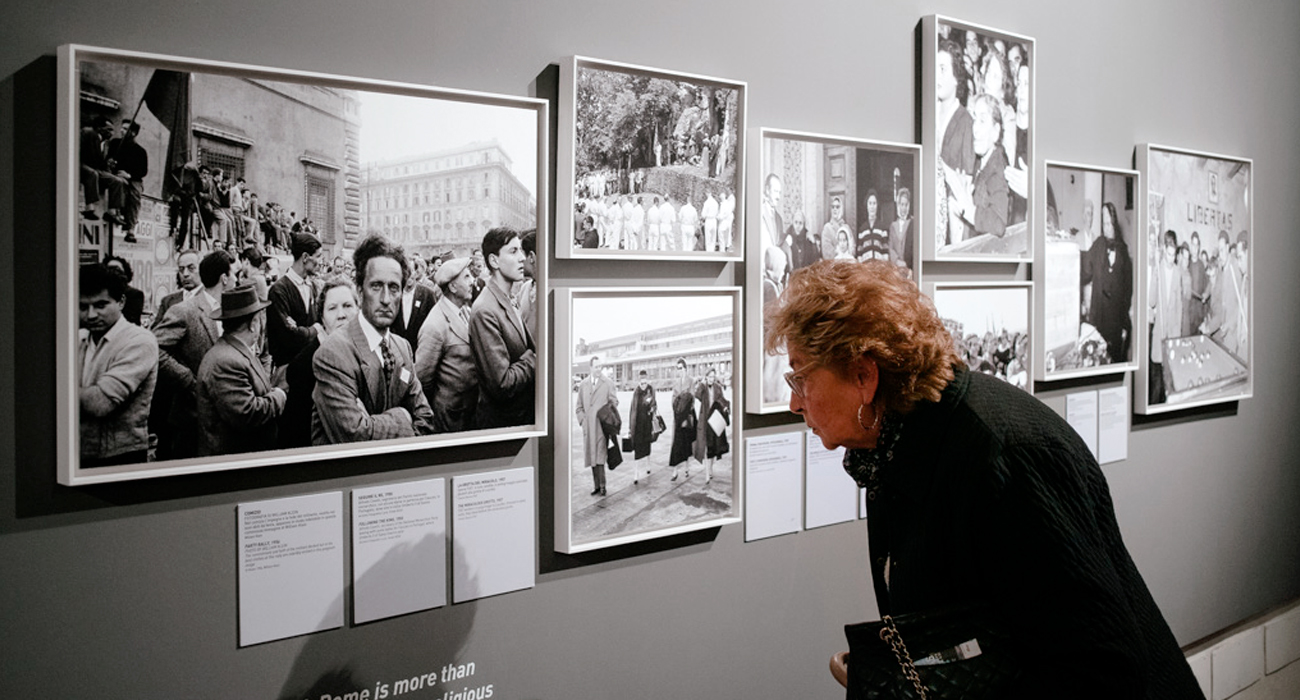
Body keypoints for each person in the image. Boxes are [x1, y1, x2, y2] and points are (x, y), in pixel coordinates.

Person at [765, 259, 1205, 699]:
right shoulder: (896, 447)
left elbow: (1097, 668)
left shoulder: (1002, 459)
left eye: (800, 378)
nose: (793, 402)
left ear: (864, 376)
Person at [311, 234, 435, 444]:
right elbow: (354, 436)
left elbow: (427, 422)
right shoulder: (333, 353)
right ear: (359, 291)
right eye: (376, 286)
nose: (386, 299)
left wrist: (373, 423)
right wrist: (403, 417)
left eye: (394, 288)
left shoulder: (402, 347)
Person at [153, 250, 236, 459]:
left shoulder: (231, 309)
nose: (237, 278)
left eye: (191, 268)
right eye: (234, 274)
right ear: (224, 278)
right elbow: (154, 349)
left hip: (223, 415)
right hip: (191, 415)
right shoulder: (185, 310)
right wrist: (187, 378)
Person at [78, 263, 157, 467]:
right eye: (83, 307)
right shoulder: (80, 338)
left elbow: (100, 404)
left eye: (101, 305)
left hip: (119, 457)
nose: (91, 315)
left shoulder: (139, 341)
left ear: (121, 302)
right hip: (81, 453)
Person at [196, 285, 285, 456]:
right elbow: (248, 414)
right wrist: (279, 395)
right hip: (233, 467)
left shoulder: (236, 352)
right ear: (253, 324)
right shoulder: (226, 361)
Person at [468, 227, 535, 429]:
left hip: (521, 417)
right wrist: (535, 358)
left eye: (521, 251)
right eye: (513, 251)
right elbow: (502, 383)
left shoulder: (508, 298)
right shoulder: (484, 310)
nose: (522, 258)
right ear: (494, 261)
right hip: (504, 425)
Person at [280, 276, 358, 449]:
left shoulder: (364, 353)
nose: (341, 315)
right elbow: (295, 435)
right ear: (322, 319)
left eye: (347, 306)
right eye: (332, 308)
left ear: (358, 311)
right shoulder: (304, 366)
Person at [415, 257, 479, 433]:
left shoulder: (465, 310)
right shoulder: (434, 325)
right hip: (451, 419)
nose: (472, 281)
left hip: (470, 413)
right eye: (466, 277)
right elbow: (422, 380)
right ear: (452, 286)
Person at [1081, 202, 1133, 364]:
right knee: (1097, 360)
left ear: (1114, 222)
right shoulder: (1098, 245)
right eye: (1103, 222)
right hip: (1099, 318)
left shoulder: (1123, 251)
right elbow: (1084, 270)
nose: (1106, 226)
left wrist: (1125, 321)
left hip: (1116, 320)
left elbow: (1127, 289)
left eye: (1109, 222)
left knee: (1114, 361)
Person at [936, 38, 975, 248]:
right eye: (935, 69)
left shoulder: (966, 121)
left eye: (943, 69)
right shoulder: (928, 117)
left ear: (956, 78)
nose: (937, 76)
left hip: (953, 227)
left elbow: (966, 186)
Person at [267, 232, 324, 370]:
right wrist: (314, 329)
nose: (321, 262)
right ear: (305, 257)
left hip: (310, 368)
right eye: (318, 257)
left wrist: (302, 330)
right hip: (287, 370)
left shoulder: (314, 287)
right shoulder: (279, 290)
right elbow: (288, 336)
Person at [576, 356, 616, 497]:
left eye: (600, 366)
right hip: (589, 428)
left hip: (601, 427)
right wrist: (583, 422)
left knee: (600, 457)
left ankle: (603, 485)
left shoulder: (608, 383)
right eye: (596, 367)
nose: (599, 369)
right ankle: (596, 486)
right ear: (591, 368)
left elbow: (614, 402)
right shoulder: (583, 385)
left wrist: (607, 414)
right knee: (592, 456)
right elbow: (579, 407)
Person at [104, 119, 148, 241]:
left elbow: (143, 171)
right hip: (116, 175)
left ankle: (130, 229)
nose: (122, 131)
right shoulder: (115, 144)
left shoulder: (140, 151)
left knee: (135, 195)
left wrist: (128, 175)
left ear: (133, 133)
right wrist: (110, 163)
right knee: (118, 185)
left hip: (132, 178)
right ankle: (115, 213)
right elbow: (108, 158)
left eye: (125, 129)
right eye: (122, 128)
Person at [392, 252, 438, 353]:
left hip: (420, 350)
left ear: (416, 273)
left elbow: (434, 325)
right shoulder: (394, 295)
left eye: (411, 271)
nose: (408, 276)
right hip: (398, 352)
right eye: (405, 272)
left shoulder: (427, 295)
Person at [692, 365, 729, 483]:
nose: (712, 379)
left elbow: (722, 400)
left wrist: (726, 408)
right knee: (707, 447)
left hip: (715, 420)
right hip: (705, 421)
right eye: (710, 376)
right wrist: (702, 384)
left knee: (713, 447)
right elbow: (697, 395)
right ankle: (707, 474)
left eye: (713, 376)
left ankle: (710, 468)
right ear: (706, 377)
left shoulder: (718, 388)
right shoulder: (703, 387)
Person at [667, 357, 696, 482]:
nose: (679, 371)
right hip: (677, 417)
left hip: (687, 416)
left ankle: (686, 467)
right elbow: (673, 399)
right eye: (677, 368)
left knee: (686, 443)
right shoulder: (676, 383)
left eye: (680, 368)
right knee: (676, 444)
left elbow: (692, 399)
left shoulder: (691, 381)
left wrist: (684, 403)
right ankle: (675, 470)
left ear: (685, 368)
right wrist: (678, 404)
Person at [628, 369, 658, 484]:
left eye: (645, 381)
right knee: (637, 449)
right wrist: (630, 428)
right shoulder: (636, 392)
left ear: (647, 380)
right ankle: (636, 473)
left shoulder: (651, 389)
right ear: (639, 381)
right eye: (641, 382)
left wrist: (652, 409)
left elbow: (655, 404)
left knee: (647, 445)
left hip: (648, 424)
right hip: (638, 425)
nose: (643, 384)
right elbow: (632, 410)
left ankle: (648, 465)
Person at [101, 255, 145, 326]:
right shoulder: (100, 293)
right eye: (109, 269)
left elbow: (131, 320)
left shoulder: (134, 294)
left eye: (117, 269)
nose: (113, 273)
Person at [856, 189, 889, 262]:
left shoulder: (882, 228)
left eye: (874, 203)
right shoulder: (862, 229)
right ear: (866, 205)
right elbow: (859, 253)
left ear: (877, 205)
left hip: (879, 269)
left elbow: (885, 251)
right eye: (870, 203)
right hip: (866, 269)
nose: (872, 207)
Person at [888, 187, 914, 275]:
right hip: (896, 268)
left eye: (905, 205)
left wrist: (906, 263)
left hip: (908, 268)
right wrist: (897, 261)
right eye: (901, 204)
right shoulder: (893, 226)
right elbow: (890, 247)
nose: (903, 208)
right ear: (898, 205)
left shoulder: (912, 223)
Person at [820, 196, 848, 262]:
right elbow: (826, 253)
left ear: (841, 209)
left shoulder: (846, 228)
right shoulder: (827, 228)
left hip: (847, 266)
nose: (834, 209)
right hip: (832, 266)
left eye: (837, 207)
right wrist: (841, 254)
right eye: (833, 207)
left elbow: (852, 249)